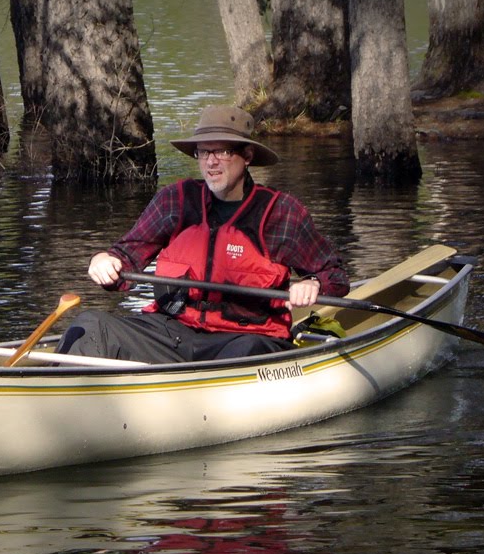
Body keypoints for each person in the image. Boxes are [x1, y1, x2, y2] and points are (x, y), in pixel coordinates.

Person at [57, 105, 349, 363]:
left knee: (248, 352)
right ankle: (65, 394)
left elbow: (334, 277)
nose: (211, 162)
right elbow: (125, 258)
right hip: (172, 333)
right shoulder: (175, 200)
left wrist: (312, 284)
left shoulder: (281, 213)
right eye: (204, 152)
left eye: (222, 151)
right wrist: (103, 260)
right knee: (90, 324)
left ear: (246, 156)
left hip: (244, 340)